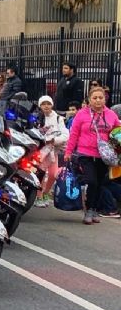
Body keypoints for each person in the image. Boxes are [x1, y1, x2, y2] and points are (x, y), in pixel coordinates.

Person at [64, 86, 120, 224]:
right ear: (89, 100)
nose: (98, 101)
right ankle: (88, 209)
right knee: (91, 181)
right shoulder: (82, 114)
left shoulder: (111, 114)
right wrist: (68, 152)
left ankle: (94, 209)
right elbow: (74, 134)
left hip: (104, 156)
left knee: (100, 183)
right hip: (85, 153)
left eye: (100, 98)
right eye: (94, 98)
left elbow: (117, 132)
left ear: (104, 99)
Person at [33, 95, 68, 208]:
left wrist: (54, 141)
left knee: (53, 174)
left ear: (52, 105)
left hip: (54, 151)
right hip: (41, 152)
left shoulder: (59, 118)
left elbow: (65, 135)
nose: (46, 106)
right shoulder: (37, 118)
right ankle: (38, 196)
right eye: (43, 104)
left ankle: (46, 193)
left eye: (48, 103)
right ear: (40, 106)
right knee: (41, 174)